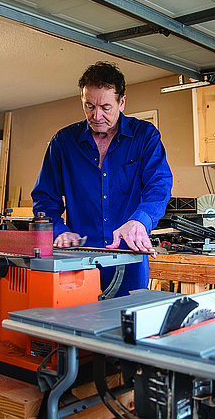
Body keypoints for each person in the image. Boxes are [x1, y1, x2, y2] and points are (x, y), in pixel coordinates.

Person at [31, 61, 173, 297]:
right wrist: (57, 229)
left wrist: (140, 221)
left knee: (128, 326)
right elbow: (45, 198)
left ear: (122, 102)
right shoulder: (63, 142)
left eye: (106, 107)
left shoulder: (145, 136)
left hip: (130, 259)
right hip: (78, 260)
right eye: (89, 106)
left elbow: (159, 185)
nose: (96, 116)